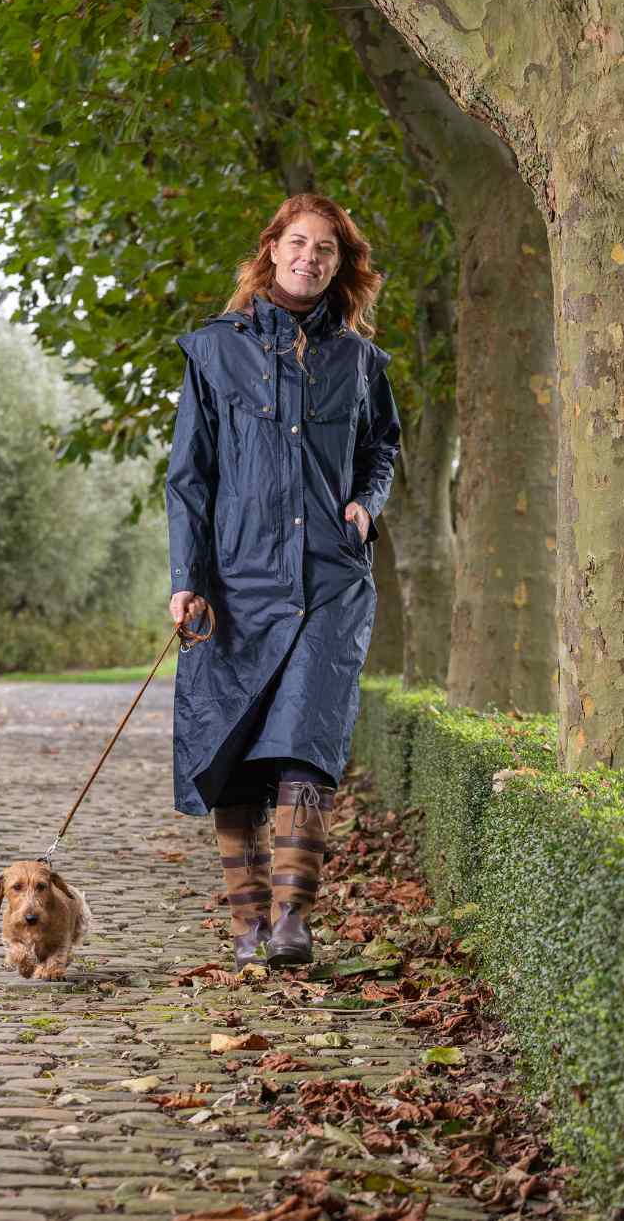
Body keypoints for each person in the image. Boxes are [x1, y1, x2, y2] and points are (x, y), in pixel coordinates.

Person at [165, 193, 401, 971]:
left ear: (341, 264)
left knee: (308, 741)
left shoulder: (361, 362)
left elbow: (382, 446)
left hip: (331, 581)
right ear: (271, 249)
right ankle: (246, 926)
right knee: (229, 752)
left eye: (326, 249)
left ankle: (292, 921)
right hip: (234, 585)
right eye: (298, 243)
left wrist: (368, 504)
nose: (310, 257)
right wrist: (187, 579)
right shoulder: (212, 351)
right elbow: (190, 477)